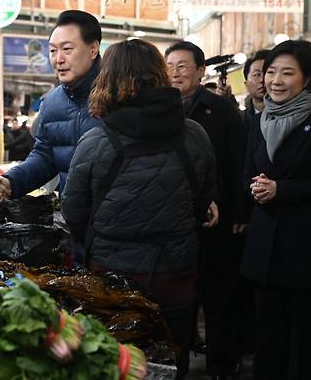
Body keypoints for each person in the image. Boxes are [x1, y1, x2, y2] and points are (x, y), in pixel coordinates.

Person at [62, 39, 217, 380]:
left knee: (114, 364)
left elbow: (73, 208)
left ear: (109, 79)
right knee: (172, 359)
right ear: (160, 76)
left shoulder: (96, 140)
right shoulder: (195, 134)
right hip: (176, 270)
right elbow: (204, 197)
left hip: (113, 275)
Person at [165, 41, 249, 380]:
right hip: (176, 221)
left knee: (217, 296)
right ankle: (177, 359)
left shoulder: (222, 110)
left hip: (218, 217)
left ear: (201, 71)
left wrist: (240, 211)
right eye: (169, 65)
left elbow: (239, 162)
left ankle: (222, 363)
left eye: (183, 66)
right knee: (181, 297)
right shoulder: (160, 111)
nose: (175, 72)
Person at [242, 40, 311, 380]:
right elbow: (245, 173)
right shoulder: (258, 121)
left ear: (307, 79)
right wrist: (253, 188)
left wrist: (281, 189)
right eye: (271, 72)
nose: (276, 80)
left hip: (302, 249)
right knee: (267, 337)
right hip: (264, 248)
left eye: (288, 73)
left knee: (301, 342)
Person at [0, 10, 103, 200]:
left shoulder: (116, 95)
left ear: (93, 49)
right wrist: (11, 181)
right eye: (53, 50)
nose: (58, 59)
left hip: (116, 218)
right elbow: (45, 157)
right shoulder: (51, 103)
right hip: (73, 217)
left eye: (67, 49)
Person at [242, 49, 270, 132]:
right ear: (246, 83)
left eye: (268, 73)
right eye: (256, 74)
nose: (262, 79)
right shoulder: (239, 120)